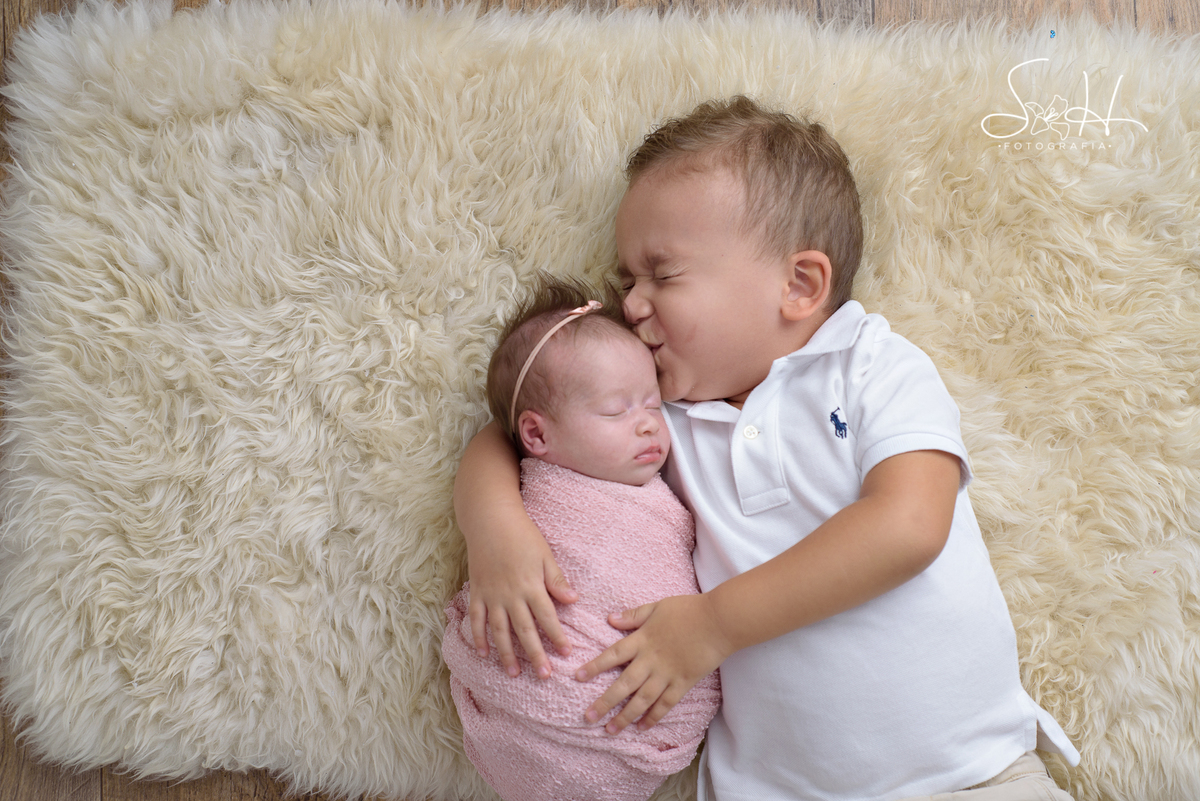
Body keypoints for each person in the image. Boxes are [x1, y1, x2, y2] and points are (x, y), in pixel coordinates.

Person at [453, 96, 1083, 801]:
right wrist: (495, 532)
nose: (630, 304)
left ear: (799, 285)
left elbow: (909, 526)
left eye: (663, 275)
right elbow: (512, 431)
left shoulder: (871, 365)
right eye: (628, 281)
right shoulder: (661, 423)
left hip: (974, 774)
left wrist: (713, 626)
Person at [442, 278, 720, 801]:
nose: (648, 426)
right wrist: (495, 531)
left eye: (653, 405)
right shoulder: (534, 488)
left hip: (651, 700)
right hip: (530, 691)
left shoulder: (676, 463)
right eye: (616, 411)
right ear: (537, 436)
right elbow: (489, 448)